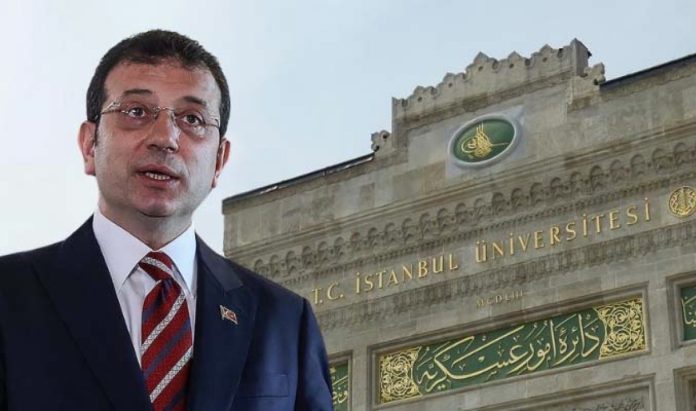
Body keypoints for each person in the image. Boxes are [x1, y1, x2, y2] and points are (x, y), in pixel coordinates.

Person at [0, 30, 333, 411]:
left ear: (219, 161)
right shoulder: (11, 298)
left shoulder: (284, 322)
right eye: (136, 112)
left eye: (192, 118)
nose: (165, 138)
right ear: (90, 144)